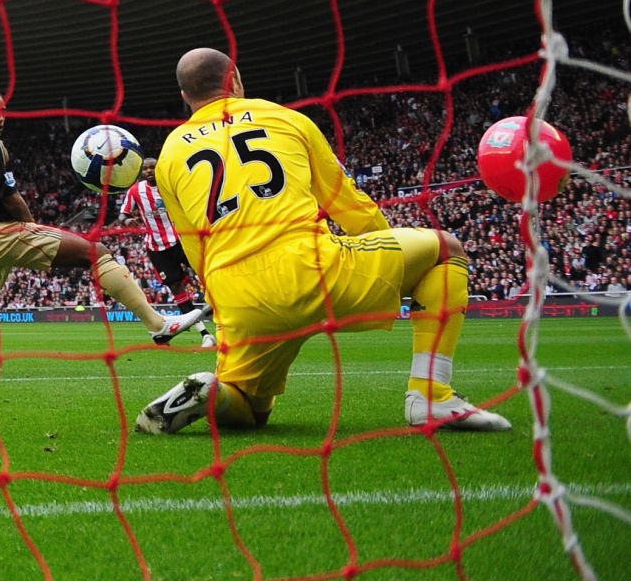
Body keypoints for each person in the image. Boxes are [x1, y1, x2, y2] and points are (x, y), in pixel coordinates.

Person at [135, 48, 510, 434]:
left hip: (238, 295)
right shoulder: (286, 119)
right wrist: (390, 262)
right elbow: (349, 205)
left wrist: (224, 305)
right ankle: (430, 394)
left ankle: (213, 393)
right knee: (445, 250)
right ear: (235, 80)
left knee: (250, 408)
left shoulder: (169, 156)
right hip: (314, 268)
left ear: (185, 97)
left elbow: (196, 248)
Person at [0, 87, 210, 376]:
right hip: (2, 233)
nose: (0, 117)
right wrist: (30, 225)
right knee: (97, 253)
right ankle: (157, 324)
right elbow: (10, 196)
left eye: (4, 111)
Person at [118, 156, 216, 348]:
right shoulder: (136, 191)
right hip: (157, 249)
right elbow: (123, 213)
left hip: (182, 240)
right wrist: (127, 221)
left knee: (208, 274)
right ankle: (205, 334)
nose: (148, 171)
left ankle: (223, 314)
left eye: (152, 168)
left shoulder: (170, 185)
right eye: (145, 169)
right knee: (177, 288)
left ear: (158, 168)